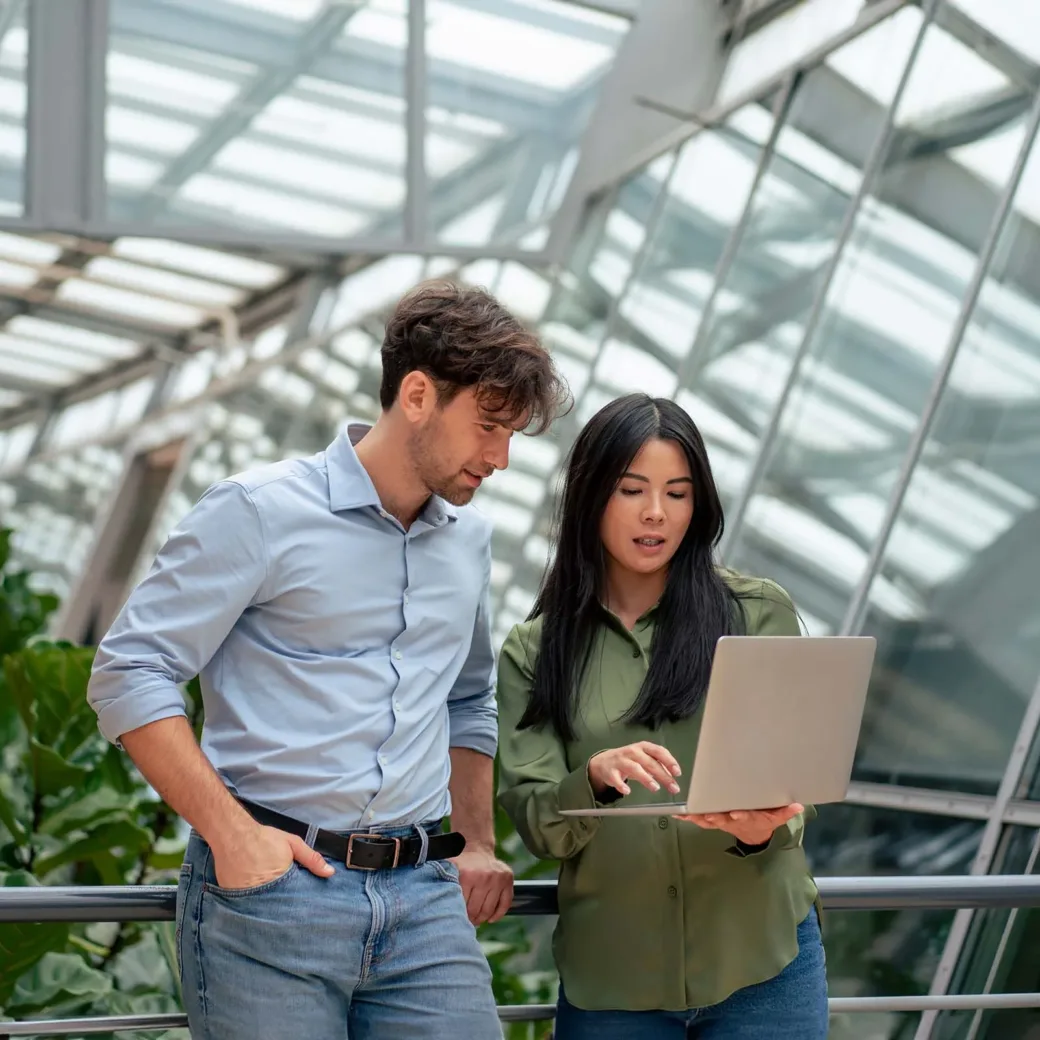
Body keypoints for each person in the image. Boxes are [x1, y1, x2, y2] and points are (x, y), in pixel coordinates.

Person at [86, 280, 570, 1040]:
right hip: (273, 897)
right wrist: (235, 837)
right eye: (487, 427)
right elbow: (128, 673)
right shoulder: (258, 511)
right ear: (416, 395)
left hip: (425, 904)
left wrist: (476, 841)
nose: (501, 458)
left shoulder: (468, 541)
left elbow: (467, 700)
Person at [496, 393, 827, 1040]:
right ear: (591, 495)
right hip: (615, 985)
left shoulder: (756, 615)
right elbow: (538, 824)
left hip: (762, 969)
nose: (656, 513)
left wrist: (764, 827)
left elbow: (798, 785)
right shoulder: (534, 652)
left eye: (677, 493)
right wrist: (591, 779)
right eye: (631, 490)